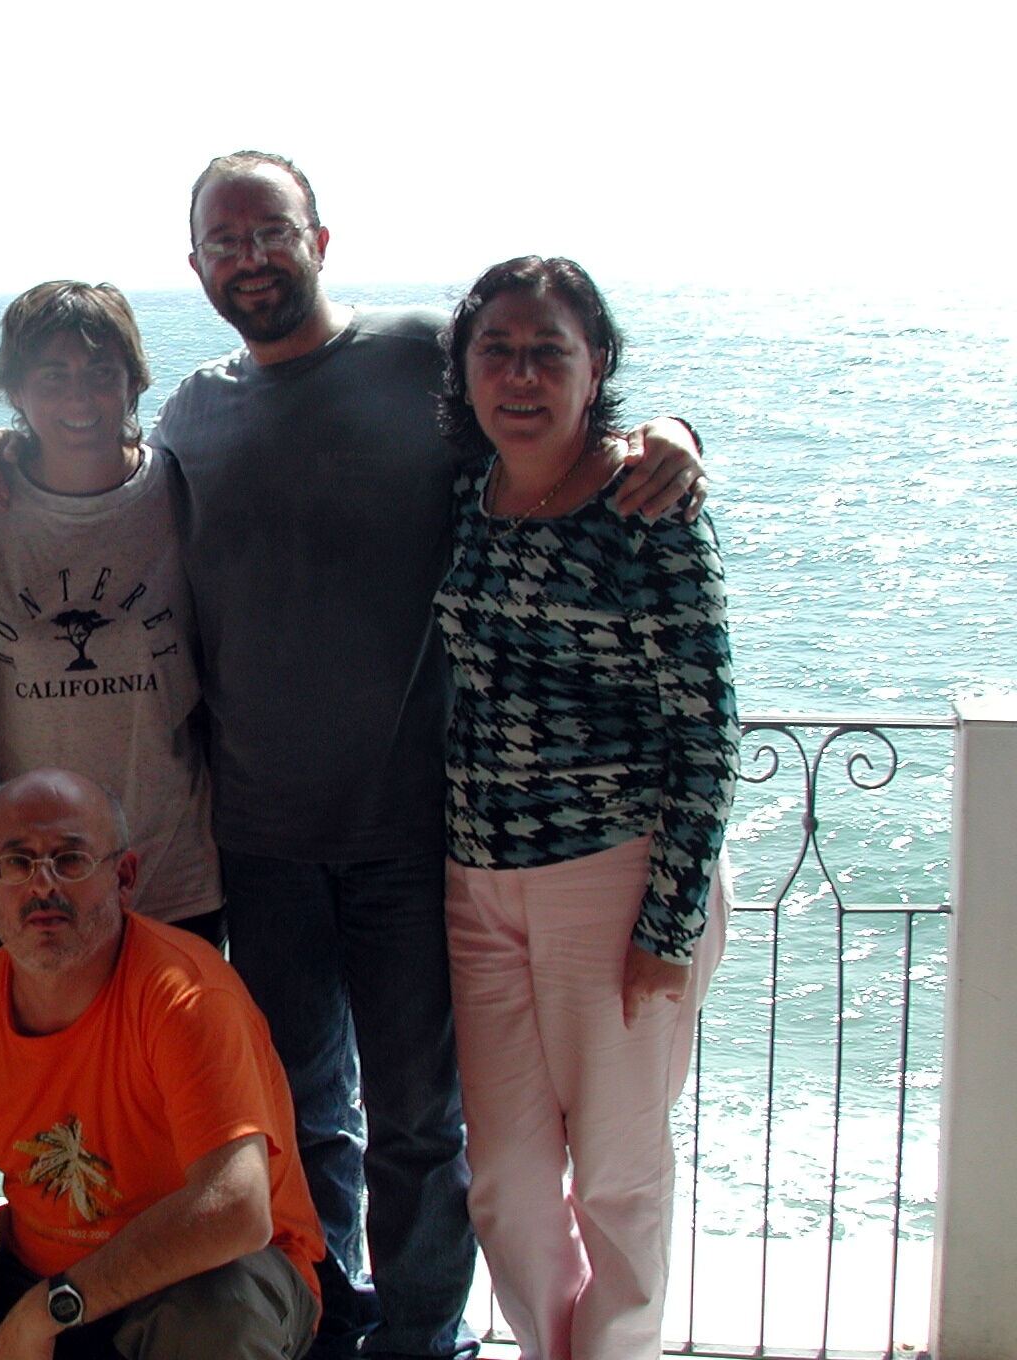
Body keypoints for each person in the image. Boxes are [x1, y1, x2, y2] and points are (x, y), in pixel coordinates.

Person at [0, 152, 708, 1357]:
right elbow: (101, 476)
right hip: (256, 836)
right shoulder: (193, 410)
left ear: (317, 238)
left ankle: (421, 1334)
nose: (248, 257)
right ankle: (330, 1316)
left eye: (269, 230)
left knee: (418, 1119)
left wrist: (666, 432)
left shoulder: (416, 353)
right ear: (195, 264)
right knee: (301, 1114)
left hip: (414, 830)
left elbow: (546, 411)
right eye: (223, 240)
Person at [433, 256, 736, 1360]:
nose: (519, 375)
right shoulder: (468, 494)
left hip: (616, 879)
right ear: (464, 369)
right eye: (496, 351)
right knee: (506, 1181)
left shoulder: (644, 504)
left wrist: (668, 925)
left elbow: (708, 730)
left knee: (616, 1176)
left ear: (594, 365)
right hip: (477, 884)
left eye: (546, 352)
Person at [0, 769, 323, 1360]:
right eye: (16, 862)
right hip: (38, 1276)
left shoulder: (187, 996)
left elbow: (236, 1211)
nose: (42, 885)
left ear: (125, 878)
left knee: (215, 1323)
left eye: (71, 860)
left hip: (211, 1273)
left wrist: (48, 1312)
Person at [0, 282, 222, 941]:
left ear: (133, 381)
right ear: (15, 390)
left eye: (101, 373)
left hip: (171, 866)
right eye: (53, 376)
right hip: (29, 878)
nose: (80, 399)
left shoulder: (179, 494)